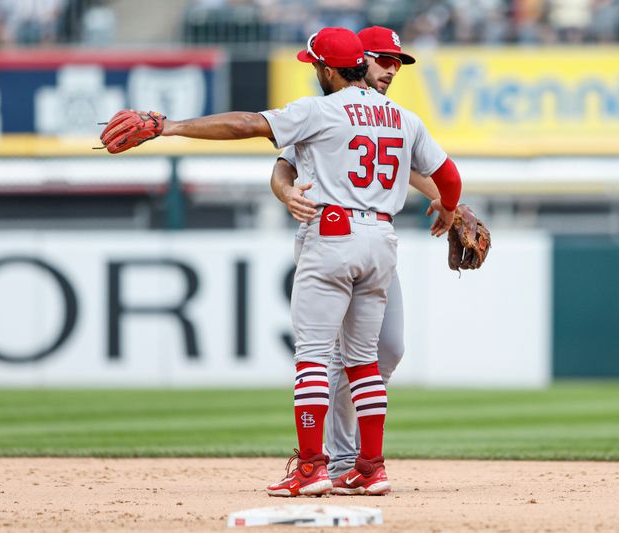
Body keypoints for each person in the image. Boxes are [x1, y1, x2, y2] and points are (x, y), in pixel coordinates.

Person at [99, 27, 462, 497]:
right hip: (381, 236)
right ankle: (371, 468)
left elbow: (248, 123)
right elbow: (448, 176)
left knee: (312, 356)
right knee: (363, 363)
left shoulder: (317, 109)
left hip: (332, 233)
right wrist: (450, 209)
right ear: (362, 63)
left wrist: (171, 126)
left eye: (314, 66)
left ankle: (312, 467)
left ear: (327, 69)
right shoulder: (402, 118)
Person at [269, 26, 445, 488]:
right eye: (384, 59)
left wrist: (452, 203)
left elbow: (418, 170)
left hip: (354, 236)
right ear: (358, 58)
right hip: (364, 237)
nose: (391, 68)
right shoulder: (334, 114)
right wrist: (286, 192)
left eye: (397, 62)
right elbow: (283, 167)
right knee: (351, 356)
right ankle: (347, 459)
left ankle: (327, 465)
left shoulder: (378, 114)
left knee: (374, 352)